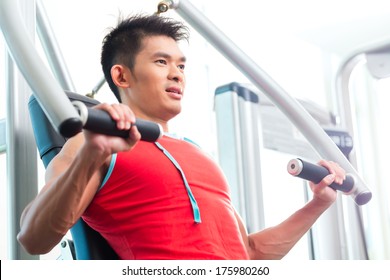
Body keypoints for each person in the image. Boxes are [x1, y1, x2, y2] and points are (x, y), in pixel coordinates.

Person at [17, 14, 346, 260]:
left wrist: (317, 204)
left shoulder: (198, 154)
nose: (177, 73)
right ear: (122, 75)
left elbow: (250, 252)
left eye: (182, 66)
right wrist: (92, 154)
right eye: (161, 62)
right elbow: (33, 238)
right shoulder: (97, 143)